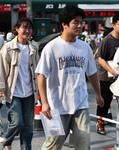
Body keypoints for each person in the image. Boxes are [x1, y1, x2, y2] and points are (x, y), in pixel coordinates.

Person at [35, 5, 104, 150]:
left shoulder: (84, 47)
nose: (80, 26)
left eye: (81, 22)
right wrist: (44, 103)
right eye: (75, 22)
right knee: (53, 145)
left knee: (84, 144)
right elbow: (41, 75)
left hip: (81, 104)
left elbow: (92, 73)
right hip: (57, 106)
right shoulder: (51, 47)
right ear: (64, 24)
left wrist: (98, 95)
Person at [0, 18, 39, 150]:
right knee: (17, 123)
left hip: (30, 93)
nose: (27, 30)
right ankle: (7, 141)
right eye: (24, 27)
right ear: (17, 29)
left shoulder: (34, 47)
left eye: (29, 28)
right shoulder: (8, 48)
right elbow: (0, 69)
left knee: (28, 127)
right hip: (13, 93)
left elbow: (38, 71)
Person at [96, 14, 119, 135]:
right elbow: (101, 59)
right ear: (114, 25)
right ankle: (100, 124)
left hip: (118, 78)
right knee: (104, 103)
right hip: (107, 77)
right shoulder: (107, 40)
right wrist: (113, 72)